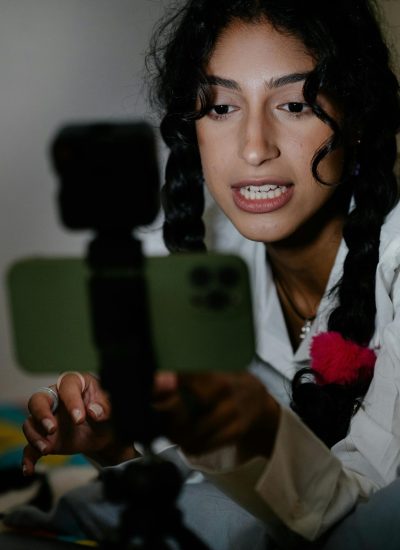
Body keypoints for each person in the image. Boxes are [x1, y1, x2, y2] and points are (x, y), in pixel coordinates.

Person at [15, 0, 400, 547]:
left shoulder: (395, 268)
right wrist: (113, 442)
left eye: (294, 104)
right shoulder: (186, 255)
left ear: (356, 118)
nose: (253, 147)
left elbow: (366, 513)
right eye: (221, 108)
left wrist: (258, 434)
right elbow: (203, 492)